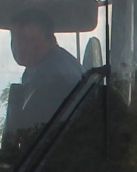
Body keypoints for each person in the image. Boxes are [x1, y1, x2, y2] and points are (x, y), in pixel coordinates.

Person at [5, 9, 84, 137]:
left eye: (29, 40)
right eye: (16, 38)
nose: (20, 46)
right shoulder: (37, 67)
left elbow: (32, 132)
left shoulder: (53, 75)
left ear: (51, 40)